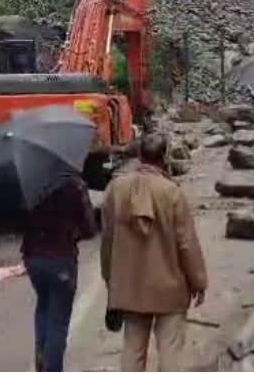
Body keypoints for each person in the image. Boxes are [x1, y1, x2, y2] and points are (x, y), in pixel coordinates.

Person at [101, 134, 208, 371]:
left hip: (130, 286)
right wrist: (198, 281)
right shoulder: (171, 192)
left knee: (132, 349)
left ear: (140, 156)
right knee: (170, 349)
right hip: (169, 288)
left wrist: (110, 278)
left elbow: (107, 239)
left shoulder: (116, 189)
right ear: (164, 158)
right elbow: (186, 243)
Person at [21, 167, 98, 371]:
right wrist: (74, 233)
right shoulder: (73, 184)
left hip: (33, 258)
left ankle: (41, 355)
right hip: (61, 259)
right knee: (58, 320)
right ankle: (51, 367)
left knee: (43, 305)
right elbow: (89, 228)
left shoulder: (28, 181)